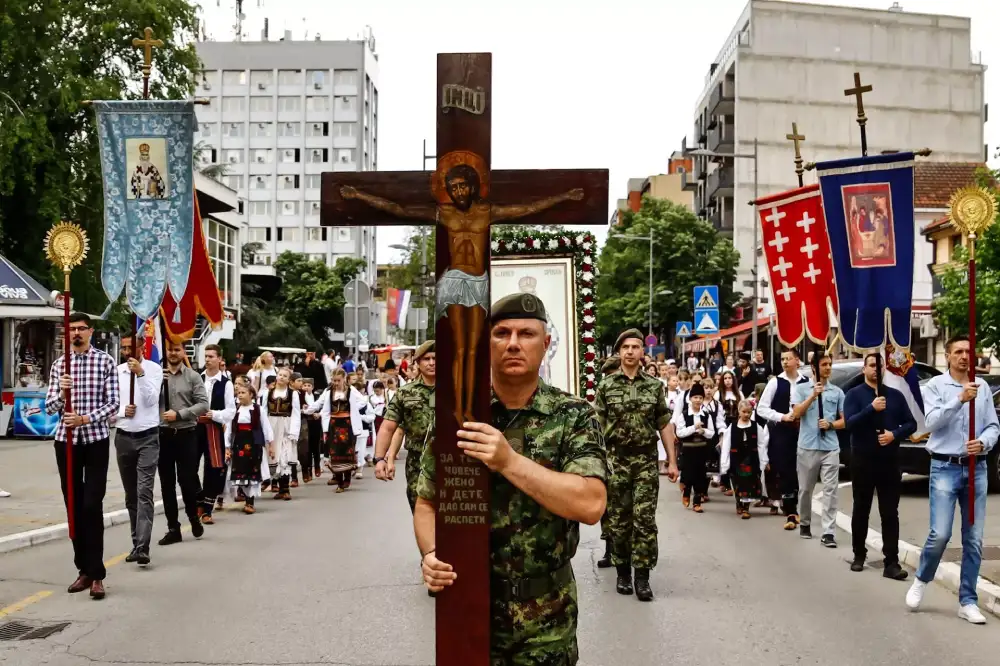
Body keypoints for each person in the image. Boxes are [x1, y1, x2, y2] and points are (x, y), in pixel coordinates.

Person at [414, 292, 607, 664]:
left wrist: (508, 461)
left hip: (546, 620)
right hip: (468, 607)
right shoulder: (459, 415)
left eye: (526, 334)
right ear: (487, 343)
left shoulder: (574, 415)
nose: (514, 344)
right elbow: (426, 502)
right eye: (502, 333)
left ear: (546, 343)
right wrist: (431, 553)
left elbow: (591, 503)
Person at [906, 334, 999, 623]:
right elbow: (930, 423)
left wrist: (983, 442)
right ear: (947, 356)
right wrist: (960, 399)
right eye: (958, 351)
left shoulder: (982, 386)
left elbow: (994, 426)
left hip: (976, 467)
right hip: (944, 467)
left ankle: (967, 600)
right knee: (941, 533)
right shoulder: (934, 386)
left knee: (973, 539)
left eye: (968, 351)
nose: (964, 356)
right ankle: (922, 578)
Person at [595, 328, 676, 601]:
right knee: (619, 521)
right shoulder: (606, 387)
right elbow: (598, 427)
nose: (630, 352)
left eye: (635, 347)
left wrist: (672, 461)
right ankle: (622, 573)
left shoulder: (654, 386)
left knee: (645, 521)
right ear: (619, 352)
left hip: (645, 462)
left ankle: (642, 577)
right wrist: (596, 463)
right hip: (616, 461)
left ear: (643, 352)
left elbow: (664, 424)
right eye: (625, 347)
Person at [44, 313, 119, 600]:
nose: (76, 333)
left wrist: (86, 418)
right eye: (72, 329)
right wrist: (63, 394)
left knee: (91, 503)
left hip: (95, 440)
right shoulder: (59, 364)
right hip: (66, 442)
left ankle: (98, 573)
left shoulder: (105, 362)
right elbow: (49, 407)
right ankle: (84, 570)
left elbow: (113, 404)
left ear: (90, 331)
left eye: (81, 329)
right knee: (73, 505)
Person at [843, 352, 916, 579]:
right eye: (872, 365)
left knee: (889, 512)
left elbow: (911, 424)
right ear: (864, 369)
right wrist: (870, 409)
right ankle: (858, 554)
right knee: (861, 508)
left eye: (879, 365)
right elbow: (849, 424)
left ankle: (891, 562)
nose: (876, 369)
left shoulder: (894, 395)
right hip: (863, 459)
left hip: (889, 461)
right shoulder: (854, 395)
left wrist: (894, 434)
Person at [114, 334, 163, 567]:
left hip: (148, 437)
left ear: (142, 347)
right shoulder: (116, 372)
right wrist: (123, 411)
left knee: (144, 491)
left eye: (130, 347)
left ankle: (143, 546)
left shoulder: (153, 369)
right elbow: (109, 407)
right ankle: (136, 542)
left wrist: (140, 374)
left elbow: (153, 400)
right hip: (124, 437)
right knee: (130, 493)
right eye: (123, 348)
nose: (127, 352)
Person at [373, 340, 436, 513]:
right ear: (418, 363)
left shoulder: (456, 390)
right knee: (420, 512)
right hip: (418, 463)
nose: (431, 363)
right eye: (426, 359)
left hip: (450, 462)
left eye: (435, 358)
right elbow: (388, 427)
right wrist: (380, 459)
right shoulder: (405, 393)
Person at [157, 340, 210, 546]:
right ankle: (173, 528)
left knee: (187, 480)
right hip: (163, 435)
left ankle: (193, 517)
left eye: (177, 349)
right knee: (166, 483)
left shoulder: (193, 377)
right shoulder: (158, 376)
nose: (173, 353)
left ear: (183, 352)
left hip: (186, 433)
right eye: (170, 349)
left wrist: (179, 413)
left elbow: (203, 404)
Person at [791, 351, 845, 546]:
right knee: (805, 489)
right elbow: (796, 413)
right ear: (815, 367)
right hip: (807, 446)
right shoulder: (802, 389)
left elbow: (845, 420)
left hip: (830, 446)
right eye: (824, 365)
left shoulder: (837, 392)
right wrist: (813, 396)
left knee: (831, 490)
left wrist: (831, 425)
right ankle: (804, 522)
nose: (828, 368)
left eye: (830, 364)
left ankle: (828, 532)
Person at [755, 348, 808, 530]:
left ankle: (796, 505)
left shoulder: (806, 381)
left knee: (801, 469)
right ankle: (790, 509)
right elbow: (761, 409)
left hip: (803, 431)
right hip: (782, 431)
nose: (785, 362)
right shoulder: (775, 382)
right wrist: (781, 416)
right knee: (785, 469)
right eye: (782, 359)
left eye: (788, 359)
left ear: (797, 361)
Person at [196, 344, 235, 525]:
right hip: (195, 427)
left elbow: (231, 411)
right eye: (206, 356)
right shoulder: (197, 378)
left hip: (214, 428)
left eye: (211, 356)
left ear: (220, 359)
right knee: (189, 466)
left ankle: (207, 508)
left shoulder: (226, 383)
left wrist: (215, 414)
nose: (208, 359)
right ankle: (198, 500)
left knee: (214, 467)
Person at [226, 384, 273, 514]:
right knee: (241, 471)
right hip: (239, 443)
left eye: (243, 392)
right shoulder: (235, 410)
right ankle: (245, 496)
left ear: (251, 394)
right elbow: (229, 429)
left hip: (253, 443)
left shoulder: (258, 409)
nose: (239, 395)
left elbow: (266, 427)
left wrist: (270, 445)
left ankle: (250, 502)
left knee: (253, 472)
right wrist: (227, 446)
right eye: (238, 392)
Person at [720, 400, 769, 518]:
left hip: (751, 460)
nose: (747, 414)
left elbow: (761, 444)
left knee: (748, 484)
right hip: (736, 459)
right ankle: (739, 503)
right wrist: (724, 463)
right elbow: (726, 445)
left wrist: (763, 461)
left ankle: (746, 508)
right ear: (739, 412)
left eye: (749, 412)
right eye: (744, 412)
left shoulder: (756, 426)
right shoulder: (732, 427)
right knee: (737, 483)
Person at [672, 382, 716, 512]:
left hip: (702, 449)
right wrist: (693, 428)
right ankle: (686, 493)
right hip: (688, 450)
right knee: (688, 474)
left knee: (700, 476)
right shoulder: (684, 415)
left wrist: (704, 432)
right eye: (695, 397)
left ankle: (697, 502)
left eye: (700, 398)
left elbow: (712, 432)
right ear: (690, 399)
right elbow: (680, 433)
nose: (698, 400)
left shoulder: (706, 415)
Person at [261, 367, 301, 500]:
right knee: (274, 457)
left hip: (286, 427)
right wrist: (264, 429)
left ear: (289, 379)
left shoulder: (292, 394)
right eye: (280, 375)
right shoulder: (268, 393)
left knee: (285, 456)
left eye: (285, 376)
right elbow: (264, 412)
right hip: (272, 425)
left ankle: (285, 488)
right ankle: (277, 485)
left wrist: (294, 431)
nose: (282, 377)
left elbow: (296, 413)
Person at [316, 368, 359, 491]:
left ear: (344, 379)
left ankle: (347, 478)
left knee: (347, 452)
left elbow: (362, 401)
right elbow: (325, 410)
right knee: (335, 453)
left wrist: (353, 414)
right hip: (334, 425)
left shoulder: (351, 391)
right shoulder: (329, 392)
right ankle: (340, 481)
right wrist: (325, 428)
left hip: (347, 425)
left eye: (338, 380)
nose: (335, 383)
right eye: (334, 380)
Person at [300, 377, 323, 481]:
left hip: (316, 422)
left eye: (309, 386)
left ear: (312, 387)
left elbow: (322, 407)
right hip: (306, 422)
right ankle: (308, 469)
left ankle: (317, 465)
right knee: (307, 447)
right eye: (304, 385)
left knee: (316, 446)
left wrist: (319, 414)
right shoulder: (300, 397)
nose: (306, 387)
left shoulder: (318, 396)